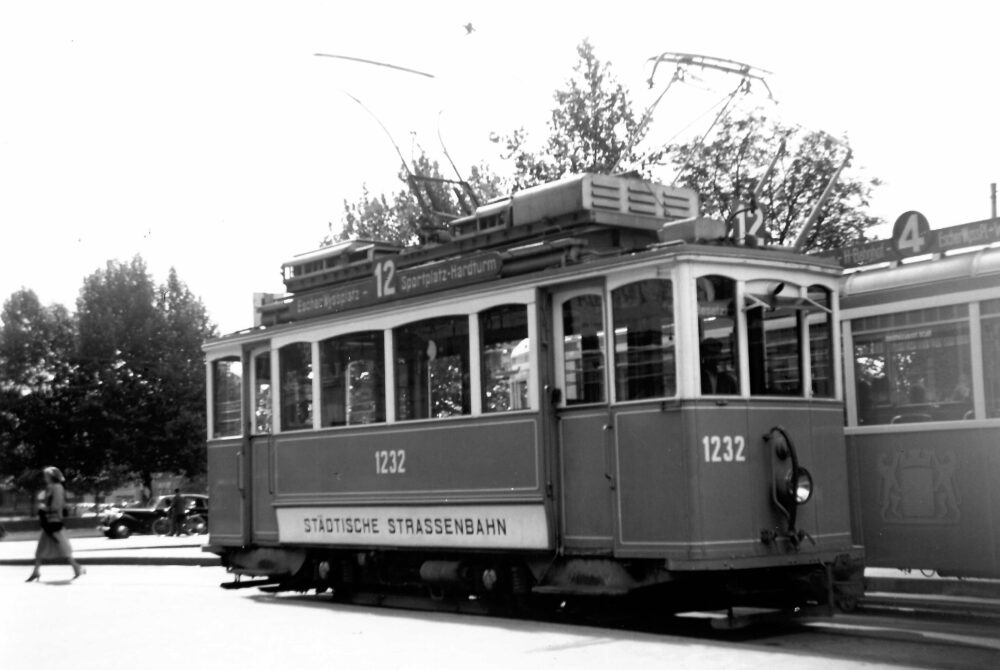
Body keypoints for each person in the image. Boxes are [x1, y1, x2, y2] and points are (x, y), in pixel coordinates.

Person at [26, 466, 85, 581]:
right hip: (49, 521)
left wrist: (45, 508)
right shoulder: (51, 487)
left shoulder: (57, 487)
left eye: (46, 476)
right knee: (43, 548)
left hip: (54, 520)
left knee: (61, 546)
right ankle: (36, 571)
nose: (45, 478)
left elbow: (57, 505)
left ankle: (76, 567)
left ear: (51, 476)